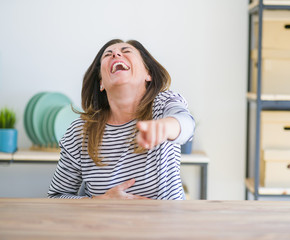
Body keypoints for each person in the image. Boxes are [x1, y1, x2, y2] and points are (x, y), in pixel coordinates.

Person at [48, 39, 195, 200]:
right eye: (108, 54)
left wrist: (165, 127)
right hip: (104, 225)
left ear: (148, 74)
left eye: (126, 51)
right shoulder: (80, 132)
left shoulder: (163, 104)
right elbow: (56, 197)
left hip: (166, 224)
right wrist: (98, 202)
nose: (116, 54)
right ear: (101, 83)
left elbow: (186, 124)